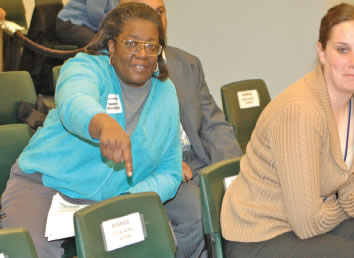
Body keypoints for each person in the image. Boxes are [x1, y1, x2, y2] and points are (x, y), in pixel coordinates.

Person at [0, 3, 182, 257]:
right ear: (111, 46)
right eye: (131, 43)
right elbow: (75, 100)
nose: (142, 53)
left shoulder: (165, 92)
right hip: (46, 186)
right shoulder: (85, 67)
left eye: (151, 46)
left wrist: (129, 197)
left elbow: (170, 171)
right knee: (29, 251)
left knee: (157, 241)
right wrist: (103, 123)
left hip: (113, 199)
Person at [221, 3, 354, 257]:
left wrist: (340, 202)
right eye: (343, 50)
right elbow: (308, 223)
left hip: (311, 220)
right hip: (260, 233)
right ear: (322, 52)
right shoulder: (300, 111)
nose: (352, 62)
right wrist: (344, 205)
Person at [119, 1, 242, 257]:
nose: (155, 18)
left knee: (249, 199)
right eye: (145, 12)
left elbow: (214, 123)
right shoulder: (119, 66)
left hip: (197, 161)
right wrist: (166, 161)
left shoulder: (187, 63)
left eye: (160, 12)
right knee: (200, 213)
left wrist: (236, 171)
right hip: (157, 167)